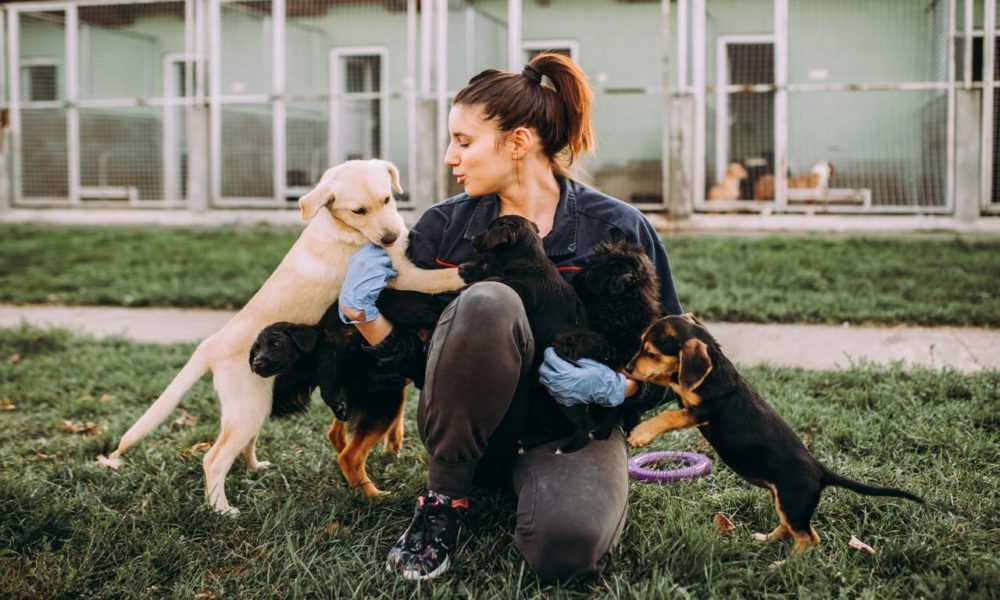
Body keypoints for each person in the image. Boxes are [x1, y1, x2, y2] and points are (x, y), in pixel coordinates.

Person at [337, 53, 683, 582]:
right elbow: (415, 364)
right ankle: (446, 498)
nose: (451, 156)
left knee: (566, 550)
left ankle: (536, 486)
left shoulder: (616, 228)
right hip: (470, 433)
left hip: (566, 435)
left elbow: (670, 360)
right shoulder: (442, 228)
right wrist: (366, 318)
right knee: (488, 300)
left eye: (465, 141)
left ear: (518, 142)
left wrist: (619, 388)